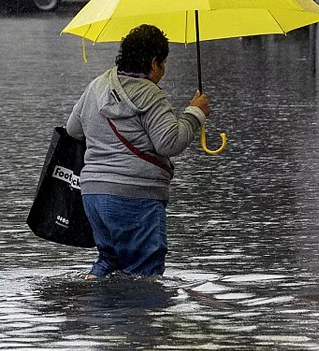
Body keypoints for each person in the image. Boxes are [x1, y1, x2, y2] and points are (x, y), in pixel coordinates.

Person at [65, 24, 211, 278]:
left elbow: (73, 129)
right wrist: (195, 114)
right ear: (154, 62)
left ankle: (93, 305)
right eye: (163, 63)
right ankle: (139, 317)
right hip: (135, 196)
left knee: (108, 261)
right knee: (146, 271)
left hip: (93, 195)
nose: (163, 71)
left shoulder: (97, 86)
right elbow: (170, 143)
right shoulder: (150, 95)